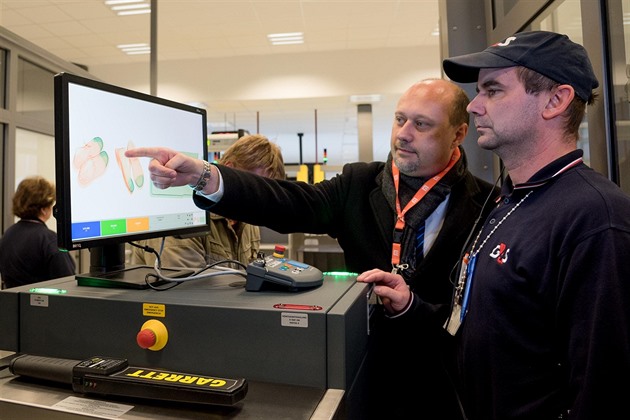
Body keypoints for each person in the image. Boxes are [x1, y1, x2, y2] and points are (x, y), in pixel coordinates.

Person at [127, 78, 499, 419]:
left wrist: (413, 308)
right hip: (364, 374)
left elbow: (486, 316)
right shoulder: (358, 184)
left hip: (443, 387)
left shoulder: (487, 206)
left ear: (458, 133)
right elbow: (289, 202)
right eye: (400, 119)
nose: (403, 134)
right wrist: (206, 176)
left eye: (421, 124)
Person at [358, 31, 630, 419]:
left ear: (555, 101)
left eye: (493, 91)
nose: (473, 106)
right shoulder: (508, 201)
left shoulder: (595, 219)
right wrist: (412, 307)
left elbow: (604, 390)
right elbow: (487, 330)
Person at [130, 134, 286, 269]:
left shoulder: (249, 218)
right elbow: (185, 288)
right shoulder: (184, 216)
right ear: (230, 170)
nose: (259, 200)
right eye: (254, 189)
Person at [0, 176, 76, 288]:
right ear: (43, 209)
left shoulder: (7, 236)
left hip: (12, 299)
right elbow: (68, 283)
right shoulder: (50, 241)